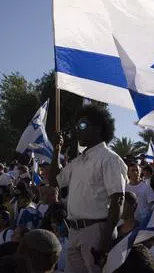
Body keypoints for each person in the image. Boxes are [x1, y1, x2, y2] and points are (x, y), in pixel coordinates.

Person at [49, 105, 128, 273]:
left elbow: (118, 200)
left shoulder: (109, 159)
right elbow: (54, 181)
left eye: (83, 126)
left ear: (98, 129)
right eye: (77, 126)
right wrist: (57, 150)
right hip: (74, 232)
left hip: (96, 233)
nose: (78, 130)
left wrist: (105, 243)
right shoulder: (78, 162)